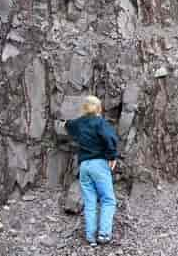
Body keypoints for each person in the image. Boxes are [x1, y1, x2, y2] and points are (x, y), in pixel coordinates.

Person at [63, 96, 119, 248]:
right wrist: (112, 156)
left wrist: (68, 123)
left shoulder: (79, 123)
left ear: (84, 108)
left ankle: (90, 236)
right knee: (108, 200)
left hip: (84, 166)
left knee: (90, 201)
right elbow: (110, 138)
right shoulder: (100, 122)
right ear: (99, 109)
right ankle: (104, 234)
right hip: (98, 164)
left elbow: (68, 125)